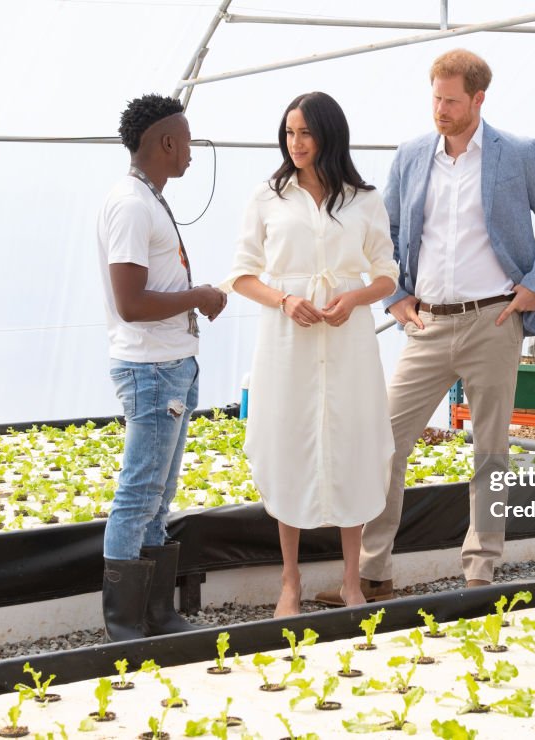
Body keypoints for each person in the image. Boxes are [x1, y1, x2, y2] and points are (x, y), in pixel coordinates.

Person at [317, 49, 535, 605]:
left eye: (451, 99)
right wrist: (398, 299)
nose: (439, 108)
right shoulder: (411, 156)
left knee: (490, 449)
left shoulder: (519, 154)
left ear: (478, 99)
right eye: (435, 96)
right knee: (384, 441)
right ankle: (372, 573)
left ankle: (480, 574)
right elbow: (383, 234)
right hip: (427, 323)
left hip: (494, 319)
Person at [222, 92, 398, 617]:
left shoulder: (364, 199)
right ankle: (290, 584)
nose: (295, 143)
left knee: (354, 445)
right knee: (289, 445)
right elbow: (240, 275)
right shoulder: (267, 197)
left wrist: (357, 297)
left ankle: (350, 583)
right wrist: (285, 299)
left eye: (305, 133)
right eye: (289, 133)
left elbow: (386, 271)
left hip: (349, 338)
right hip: (287, 339)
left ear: (329, 136)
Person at [97, 93, 227, 641]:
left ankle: (155, 613)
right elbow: (131, 302)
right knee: (138, 492)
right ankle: (123, 623)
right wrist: (196, 295)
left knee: (158, 494)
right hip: (150, 368)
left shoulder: (148, 199)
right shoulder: (131, 205)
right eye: (189, 140)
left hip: (172, 365)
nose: (192, 151)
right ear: (167, 142)